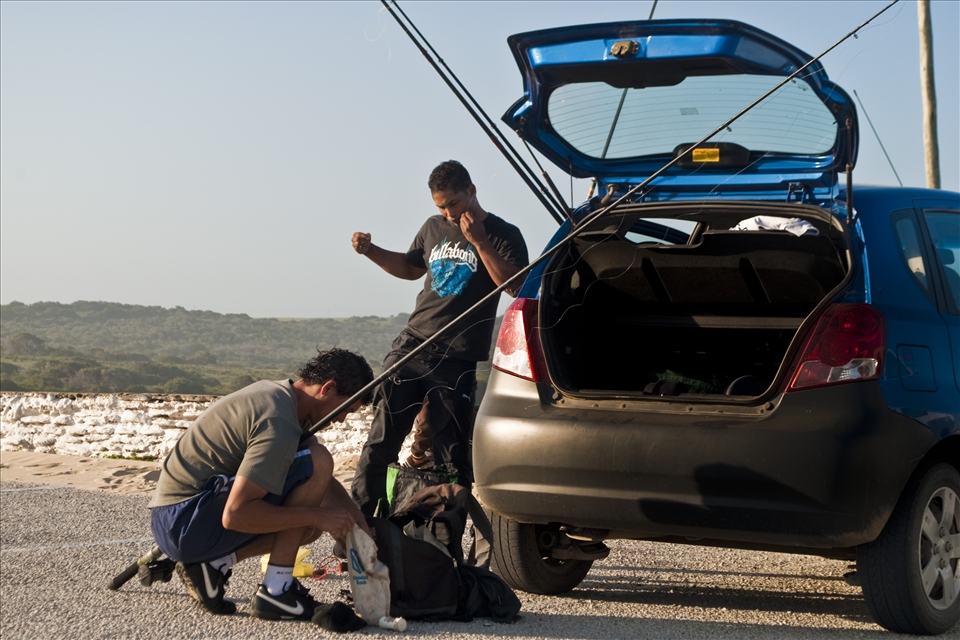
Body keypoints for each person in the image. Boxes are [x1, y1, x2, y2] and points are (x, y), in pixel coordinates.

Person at [350, 159, 528, 517]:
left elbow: (515, 285)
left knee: (452, 455)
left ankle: (447, 543)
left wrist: (479, 241)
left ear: (471, 191)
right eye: (440, 206)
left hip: (458, 358)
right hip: (413, 344)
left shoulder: (504, 234)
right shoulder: (433, 227)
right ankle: (361, 528)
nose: (448, 212)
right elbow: (410, 268)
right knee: (381, 442)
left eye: (453, 203)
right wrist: (371, 251)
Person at [149, 348, 374, 619]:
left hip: (175, 518)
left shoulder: (282, 396)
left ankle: (212, 564)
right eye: (344, 410)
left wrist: (358, 525)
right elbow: (236, 515)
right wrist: (321, 516)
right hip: (184, 521)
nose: (341, 420)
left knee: (310, 526)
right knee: (319, 464)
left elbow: (321, 483)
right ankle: (276, 592)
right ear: (327, 388)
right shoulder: (277, 421)